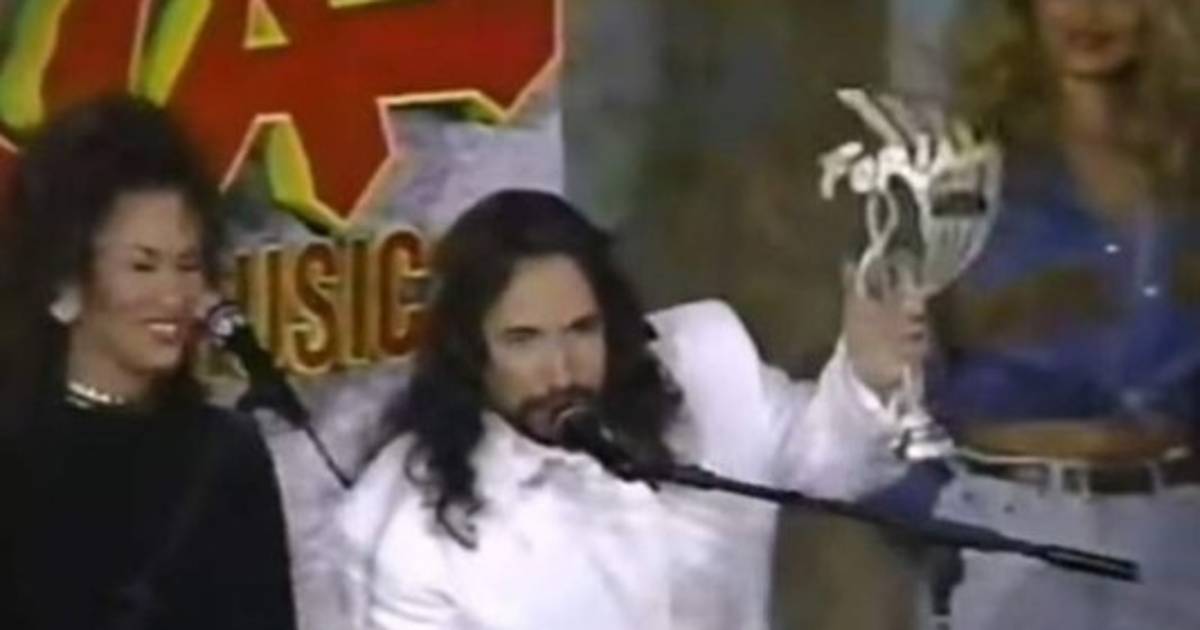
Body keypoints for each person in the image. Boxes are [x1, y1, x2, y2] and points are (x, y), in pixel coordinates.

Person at [325, 189, 927, 629]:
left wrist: (868, 377)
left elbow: (834, 466)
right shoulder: (403, 532)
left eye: (581, 330)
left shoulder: (708, 365)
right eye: (523, 340)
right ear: (467, 350)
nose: (561, 372)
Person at [921, 0, 1200, 628]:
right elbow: (886, 387)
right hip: (1009, 530)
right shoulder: (966, 171)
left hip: (1179, 533)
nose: (1089, 12)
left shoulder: (1188, 171)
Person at [0, 95, 297, 629]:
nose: (174, 295)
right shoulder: (16, 449)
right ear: (66, 277)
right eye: (143, 266)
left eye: (188, 264)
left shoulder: (224, 457)